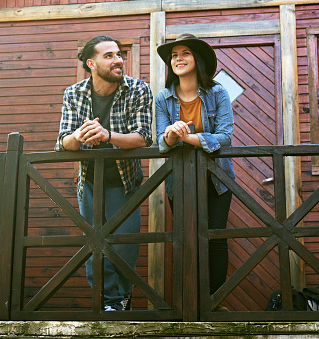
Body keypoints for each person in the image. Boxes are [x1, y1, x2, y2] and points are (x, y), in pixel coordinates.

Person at [55, 35, 153, 311]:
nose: (118, 60)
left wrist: (107, 135)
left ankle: (121, 300)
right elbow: (63, 142)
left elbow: (143, 137)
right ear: (91, 63)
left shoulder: (138, 89)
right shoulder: (73, 93)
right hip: (89, 182)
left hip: (126, 183)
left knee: (125, 246)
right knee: (94, 246)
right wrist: (80, 135)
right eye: (108, 56)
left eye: (119, 54)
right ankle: (108, 302)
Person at [155, 33, 235, 312]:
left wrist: (187, 137)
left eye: (185, 53)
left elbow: (225, 137)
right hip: (180, 179)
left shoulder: (218, 92)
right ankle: (190, 301)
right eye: (174, 55)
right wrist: (169, 134)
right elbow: (160, 143)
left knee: (214, 237)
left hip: (217, 177)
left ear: (197, 59)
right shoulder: (163, 98)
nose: (178, 59)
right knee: (186, 239)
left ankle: (214, 301)